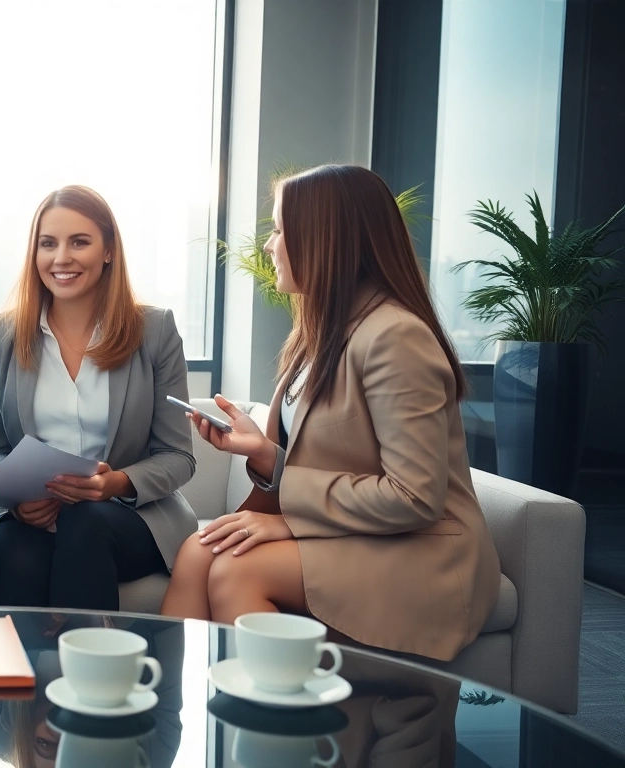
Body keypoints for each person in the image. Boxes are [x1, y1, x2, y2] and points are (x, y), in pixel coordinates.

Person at [160, 164, 500, 662]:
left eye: (279, 230)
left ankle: (271, 711)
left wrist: (292, 522)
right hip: (360, 534)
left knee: (236, 570)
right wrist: (264, 453)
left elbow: (414, 497)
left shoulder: (396, 337)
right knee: (198, 551)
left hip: (423, 549)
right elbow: (332, 459)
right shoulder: (318, 334)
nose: (269, 246)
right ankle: (171, 701)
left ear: (325, 240)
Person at [0, 185, 198, 611]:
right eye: (48, 244)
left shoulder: (154, 331)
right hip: (34, 515)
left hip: (129, 516)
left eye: (79, 242)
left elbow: (178, 456)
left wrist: (116, 483)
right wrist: (19, 501)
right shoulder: (2, 335)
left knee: (85, 523)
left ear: (109, 250)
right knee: (15, 554)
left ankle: (91, 656)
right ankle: (20, 658)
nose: (61, 257)